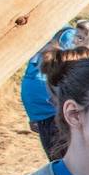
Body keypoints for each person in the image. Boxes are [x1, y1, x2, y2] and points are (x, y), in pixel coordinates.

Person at [19, 25, 79, 157]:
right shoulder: (40, 33)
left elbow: (72, 66)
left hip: (54, 113)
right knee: (56, 158)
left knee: (62, 160)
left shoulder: (65, 34)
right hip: (43, 114)